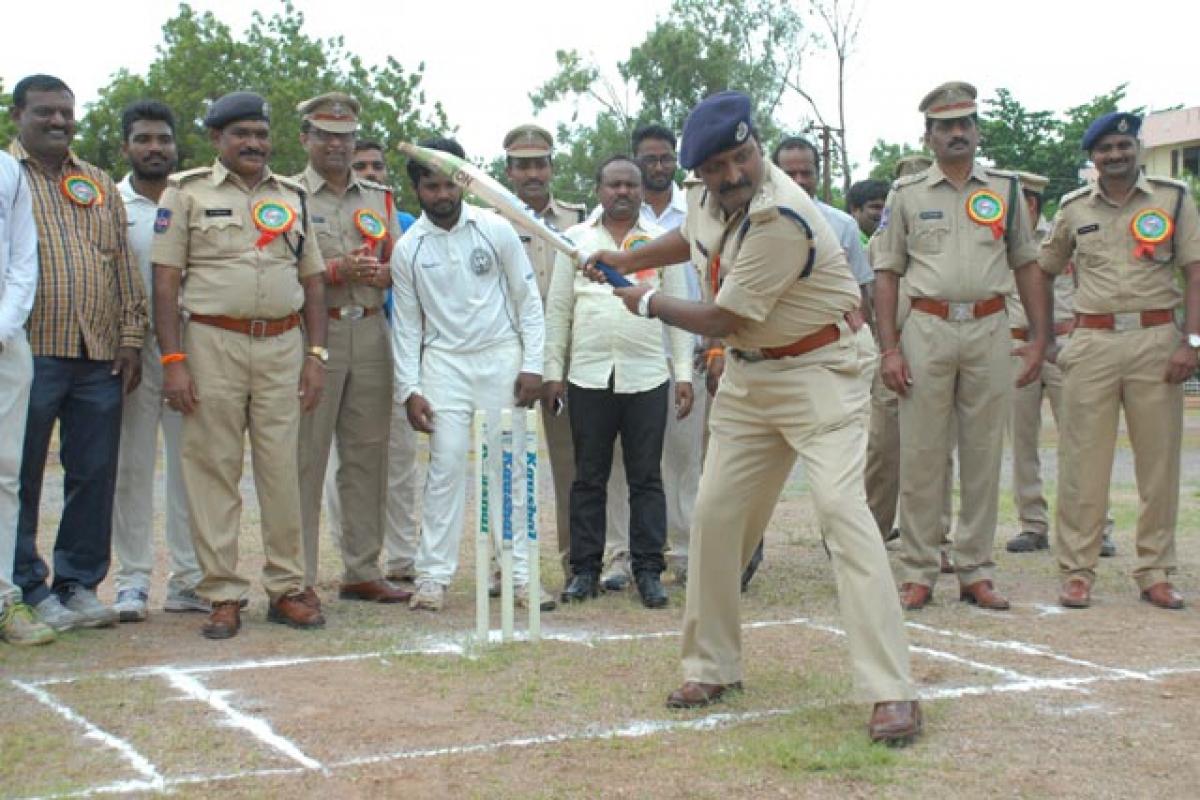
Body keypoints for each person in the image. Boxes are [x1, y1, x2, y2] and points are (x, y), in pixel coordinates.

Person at [586, 91, 921, 746]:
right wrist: (630, 257)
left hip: (821, 371)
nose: (734, 175)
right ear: (701, 171)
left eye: (743, 158)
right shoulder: (708, 194)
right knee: (715, 518)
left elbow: (724, 317)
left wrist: (643, 301)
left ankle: (891, 691)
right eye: (719, 167)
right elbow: (694, 234)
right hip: (749, 379)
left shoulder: (781, 218)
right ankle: (712, 666)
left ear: (756, 147)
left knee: (842, 516)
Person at [152, 91, 329, 639]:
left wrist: (316, 354)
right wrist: (174, 361)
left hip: (281, 346)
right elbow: (165, 281)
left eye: (259, 133)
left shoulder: (293, 195)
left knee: (282, 470)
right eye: (240, 134)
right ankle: (222, 593)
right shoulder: (184, 193)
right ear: (217, 140)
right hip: (211, 344)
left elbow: (313, 279)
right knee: (213, 470)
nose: (253, 143)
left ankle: (287, 587)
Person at [872, 81, 1049, 612]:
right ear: (927, 136)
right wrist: (889, 349)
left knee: (981, 454)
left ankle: (976, 570)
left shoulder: (1006, 190)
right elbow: (886, 273)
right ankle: (920, 570)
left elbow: (1027, 265)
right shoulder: (905, 194)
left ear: (976, 131)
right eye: (944, 126)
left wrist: (1039, 339)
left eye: (964, 123)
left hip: (990, 328)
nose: (956, 133)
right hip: (925, 328)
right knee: (922, 454)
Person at [1041, 112, 1200, 610]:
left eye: (1124, 145)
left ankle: (1155, 570)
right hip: (1093, 342)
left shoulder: (1172, 198)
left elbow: (1195, 272)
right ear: (1092, 157)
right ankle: (1077, 571)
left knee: (1158, 465)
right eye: (1105, 148)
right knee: (1082, 464)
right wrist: (1045, 340)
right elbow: (1041, 271)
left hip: (1157, 338)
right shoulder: (1071, 208)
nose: (1116, 155)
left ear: (1137, 147)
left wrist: (1191, 343)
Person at [10, 74, 147, 632]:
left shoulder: (95, 181)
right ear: (18, 115)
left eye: (66, 111)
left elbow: (121, 263)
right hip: (29, 350)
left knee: (93, 473)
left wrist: (132, 336)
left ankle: (79, 584)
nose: (59, 121)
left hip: (99, 354)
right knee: (17, 474)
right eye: (45, 112)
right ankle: (25, 586)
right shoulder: (6, 177)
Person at [392, 137, 552, 612]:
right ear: (417, 189)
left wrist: (532, 365)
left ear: (463, 181)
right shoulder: (409, 249)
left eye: (449, 184)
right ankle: (432, 580)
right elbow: (406, 326)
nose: (442, 195)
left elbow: (528, 303)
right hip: (443, 366)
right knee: (443, 469)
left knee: (510, 469)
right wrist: (410, 389)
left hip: (501, 358)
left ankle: (520, 577)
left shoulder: (495, 229)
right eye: (431, 186)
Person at [544, 155, 693, 608]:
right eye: (614, 185)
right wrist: (554, 372)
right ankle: (583, 571)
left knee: (646, 477)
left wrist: (682, 374)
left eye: (631, 184)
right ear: (599, 190)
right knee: (588, 476)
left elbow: (678, 309)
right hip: (588, 375)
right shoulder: (575, 240)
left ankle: (648, 570)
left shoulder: (660, 242)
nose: (623, 192)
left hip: (647, 375)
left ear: (642, 190)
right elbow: (558, 312)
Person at [292, 93, 409, 606]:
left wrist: (384, 273)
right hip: (313, 336)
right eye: (325, 134)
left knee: (368, 456)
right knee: (304, 456)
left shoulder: (379, 198)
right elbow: (279, 269)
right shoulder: (287, 194)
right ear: (306, 138)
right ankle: (296, 574)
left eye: (346, 136)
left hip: (371, 330)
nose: (337, 144)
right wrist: (337, 271)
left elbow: (399, 265)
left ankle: (362, 568)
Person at [109, 100, 207, 623]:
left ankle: (189, 580)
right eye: (143, 139)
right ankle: (131, 582)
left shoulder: (190, 198)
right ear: (126, 146)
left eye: (163, 140)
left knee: (190, 466)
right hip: (131, 349)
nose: (154, 148)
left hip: (191, 346)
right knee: (133, 465)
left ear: (175, 146)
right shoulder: (108, 202)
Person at [601, 123, 708, 589]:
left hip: (686, 352)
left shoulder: (700, 212)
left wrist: (712, 345)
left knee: (684, 459)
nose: (659, 166)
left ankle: (685, 551)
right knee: (627, 464)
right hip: (630, 356)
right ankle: (620, 555)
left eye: (666, 158)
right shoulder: (615, 219)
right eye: (649, 159)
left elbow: (707, 283)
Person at [1004, 171, 1116, 558]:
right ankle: (1032, 524)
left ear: (1030, 204)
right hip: (1017, 346)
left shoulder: (1069, 232)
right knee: (1022, 442)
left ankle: (1096, 527)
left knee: (1083, 437)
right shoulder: (997, 240)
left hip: (1067, 343)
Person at [327, 139, 420, 585]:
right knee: (337, 463)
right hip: (335, 339)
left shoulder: (404, 224)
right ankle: (348, 552)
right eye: (360, 164)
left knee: (397, 459)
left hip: (393, 350)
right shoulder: (317, 206)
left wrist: (389, 273)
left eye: (377, 166)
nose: (369, 171)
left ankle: (402, 555)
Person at [500, 123, 587, 586]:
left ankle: (577, 563)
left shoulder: (578, 220)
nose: (532, 172)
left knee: (572, 464)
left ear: (552, 167)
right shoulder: (488, 218)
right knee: (507, 461)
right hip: (508, 356)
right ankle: (506, 566)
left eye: (540, 163)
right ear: (508, 171)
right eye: (522, 165)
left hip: (563, 357)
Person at [0, 149, 52, 646]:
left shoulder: (6, 170)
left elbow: (21, 257)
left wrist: (3, 325)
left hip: (5, 340)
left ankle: (2, 602)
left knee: (4, 473)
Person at [847, 179, 889, 246]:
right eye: (876, 207)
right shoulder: (845, 242)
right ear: (854, 209)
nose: (883, 214)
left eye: (886, 208)